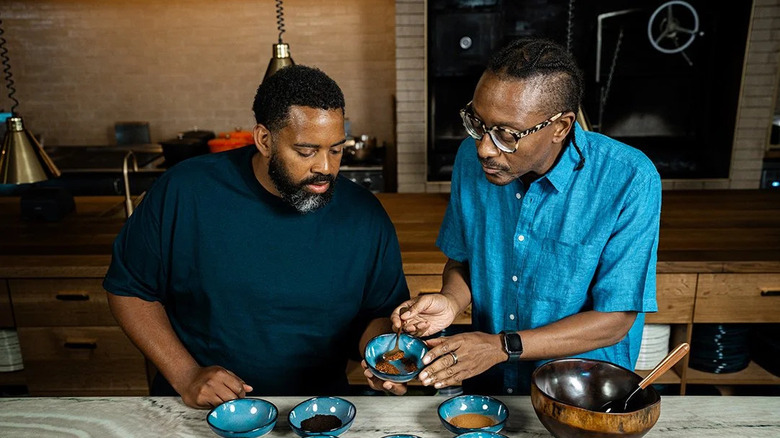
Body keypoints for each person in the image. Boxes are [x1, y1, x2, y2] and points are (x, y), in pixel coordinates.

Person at [103, 65, 409, 409]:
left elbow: (379, 315)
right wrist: (186, 374)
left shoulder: (365, 215)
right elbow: (129, 290)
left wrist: (382, 355)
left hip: (317, 410)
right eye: (306, 151)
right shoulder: (185, 190)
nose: (325, 167)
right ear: (264, 140)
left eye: (336, 149)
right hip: (199, 408)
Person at [392, 37, 662, 395]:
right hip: (491, 382)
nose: (485, 148)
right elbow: (463, 262)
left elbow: (614, 321)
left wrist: (502, 347)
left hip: (584, 394)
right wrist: (451, 301)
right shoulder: (469, 161)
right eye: (477, 123)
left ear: (561, 127)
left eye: (506, 135)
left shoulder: (630, 178)